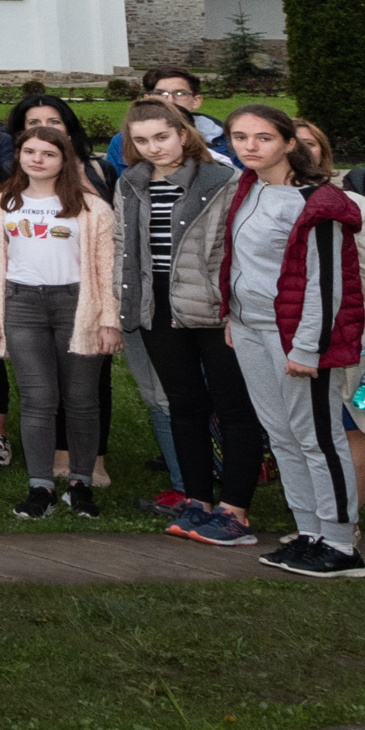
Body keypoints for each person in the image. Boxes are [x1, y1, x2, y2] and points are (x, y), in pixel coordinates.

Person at [177, 105, 365, 579]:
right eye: (240, 137)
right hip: (248, 330)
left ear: (289, 143)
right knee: (283, 436)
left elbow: (327, 285)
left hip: (296, 338)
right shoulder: (249, 188)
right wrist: (232, 315)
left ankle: (342, 545)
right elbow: (237, 261)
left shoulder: (318, 202)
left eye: (263, 138)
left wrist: (308, 348)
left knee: (318, 438)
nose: (250, 146)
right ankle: (309, 534)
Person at [115, 99, 263, 548]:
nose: (153, 148)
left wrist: (236, 308)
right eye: (141, 140)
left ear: (183, 132)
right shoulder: (132, 182)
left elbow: (239, 246)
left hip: (213, 306)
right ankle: (197, 500)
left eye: (162, 137)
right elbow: (123, 243)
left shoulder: (222, 178)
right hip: (156, 305)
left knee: (234, 407)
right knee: (184, 404)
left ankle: (234, 510)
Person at [0, 125, 122, 518]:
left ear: (65, 160)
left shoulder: (92, 209)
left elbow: (106, 268)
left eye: (48, 153)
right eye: (30, 151)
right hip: (22, 305)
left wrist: (109, 320)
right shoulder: (1, 205)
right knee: (38, 399)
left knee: (81, 400)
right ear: (19, 156)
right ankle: (39, 486)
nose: (37, 159)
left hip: (77, 305)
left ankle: (80, 484)